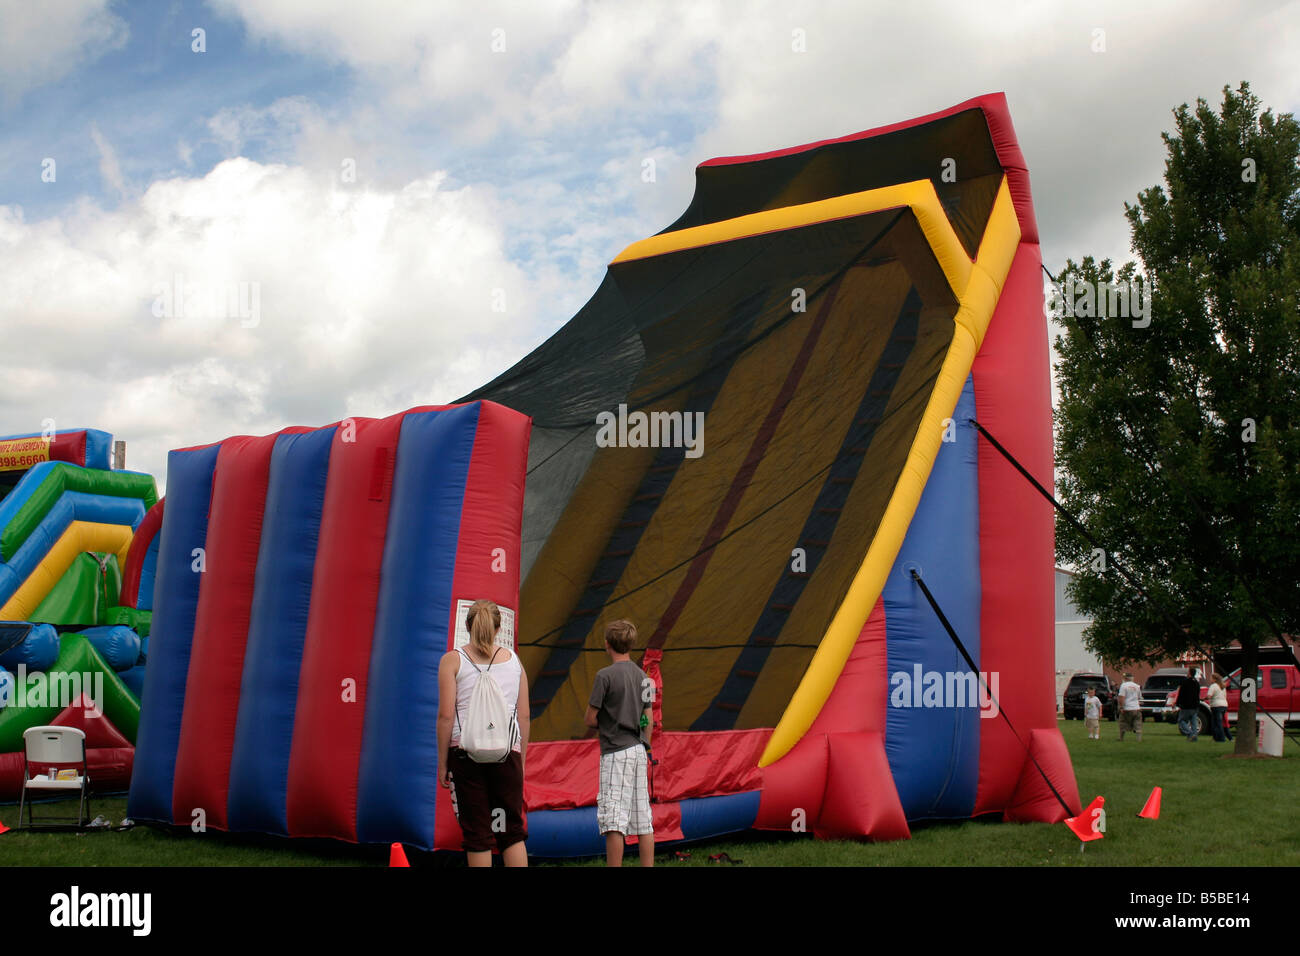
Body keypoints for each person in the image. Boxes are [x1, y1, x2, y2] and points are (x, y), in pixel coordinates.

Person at [437, 599, 530, 867]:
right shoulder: (514, 662)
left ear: (467, 626)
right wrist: (519, 761)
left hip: (466, 756)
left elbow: (445, 717)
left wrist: (443, 764)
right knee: (510, 832)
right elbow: (523, 715)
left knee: (478, 833)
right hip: (507, 754)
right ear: (499, 629)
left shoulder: (452, 661)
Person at [585, 619, 655, 867]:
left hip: (615, 751)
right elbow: (650, 719)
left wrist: (609, 721)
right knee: (643, 818)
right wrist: (645, 746)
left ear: (607, 644)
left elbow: (590, 718)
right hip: (638, 750)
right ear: (631, 644)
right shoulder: (645, 678)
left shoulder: (604, 676)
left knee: (614, 819)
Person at [1176, 666, 1202, 742]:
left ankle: (1190, 734)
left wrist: (1178, 703)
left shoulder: (1185, 682)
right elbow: (1198, 694)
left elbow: (1181, 694)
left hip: (1186, 706)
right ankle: (1195, 736)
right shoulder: (1196, 683)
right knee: (1194, 722)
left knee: (1181, 721)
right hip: (1195, 706)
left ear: (1189, 673)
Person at [1116, 672, 1142, 741]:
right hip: (1136, 708)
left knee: (1123, 723)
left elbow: (1121, 697)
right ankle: (1138, 739)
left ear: (1125, 678)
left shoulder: (1123, 686)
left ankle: (1121, 738)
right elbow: (1139, 698)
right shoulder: (1137, 686)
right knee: (1137, 723)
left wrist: (1121, 707)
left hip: (1127, 708)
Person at [1206, 672, 1231, 743]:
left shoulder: (1213, 686)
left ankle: (1221, 738)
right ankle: (1218, 738)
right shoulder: (1222, 686)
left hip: (1216, 706)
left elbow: (1209, 696)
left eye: (1211, 678)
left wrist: (1204, 698)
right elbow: (1225, 696)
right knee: (1218, 722)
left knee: (1217, 723)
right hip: (1224, 705)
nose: (1210, 679)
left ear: (1214, 679)